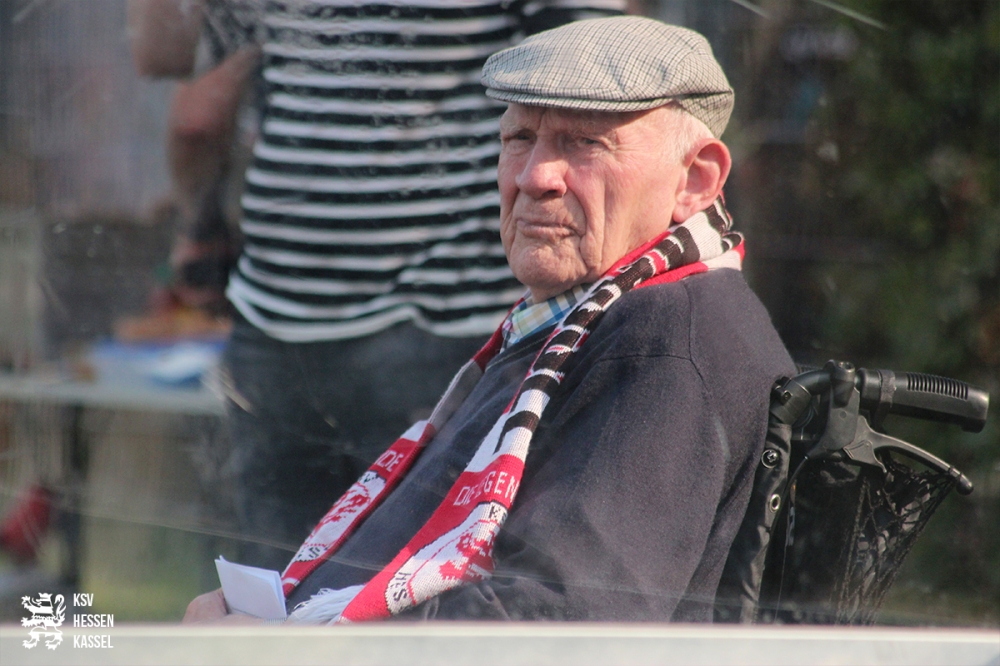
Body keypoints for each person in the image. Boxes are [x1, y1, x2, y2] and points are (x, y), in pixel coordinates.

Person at [184, 16, 796, 624]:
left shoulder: (668, 342)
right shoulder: (588, 318)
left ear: (696, 179)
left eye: (585, 143)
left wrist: (280, 653)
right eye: (520, 138)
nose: (534, 177)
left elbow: (554, 625)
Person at [128, 0, 627, 569]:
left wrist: (199, 227)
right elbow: (596, 70)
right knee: (421, 586)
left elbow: (178, 76)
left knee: (277, 586)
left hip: (287, 308)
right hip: (445, 311)